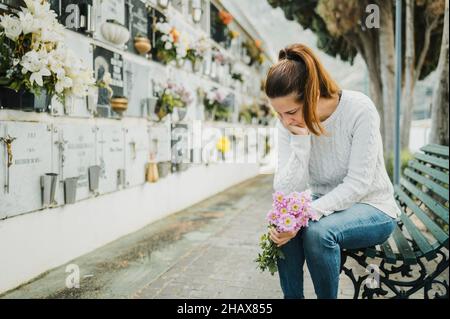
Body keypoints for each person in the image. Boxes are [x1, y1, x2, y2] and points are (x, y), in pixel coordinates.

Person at [264, 43, 400, 299]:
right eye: (279, 114)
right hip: (326, 204)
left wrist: (305, 215)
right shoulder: (288, 122)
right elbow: (284, 190)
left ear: (312, 93)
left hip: (373, 206)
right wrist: (302, 143)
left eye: (291, 111)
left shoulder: (359, 109)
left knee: (317, 233)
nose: (285, 121)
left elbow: (358, 184)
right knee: (283, 225)